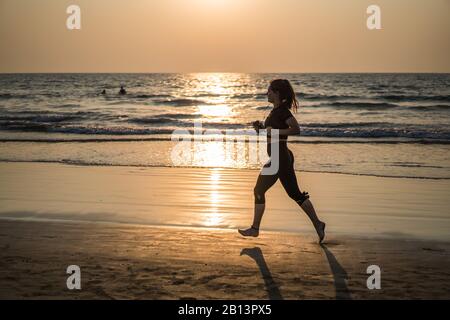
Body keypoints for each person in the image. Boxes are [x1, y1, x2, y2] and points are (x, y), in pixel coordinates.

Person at [238, 79, 326, 243]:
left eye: (269, 90)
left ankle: (255, 229)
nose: (267, 93)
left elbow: (296, 129)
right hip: (281, 157)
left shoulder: (283, 111)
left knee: (259, 190)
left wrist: (275, 131)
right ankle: (318, 224)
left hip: (280, 158)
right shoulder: (275, 111)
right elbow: (273, 130)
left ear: (277, 93)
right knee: (295, 194)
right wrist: (261, 128)